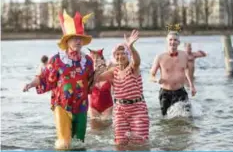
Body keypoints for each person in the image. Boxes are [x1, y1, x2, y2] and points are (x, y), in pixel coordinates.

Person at [23, 10, 94, 150]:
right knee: (64, 144)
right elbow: (43, 78)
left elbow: (93, 81)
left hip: (81, 106)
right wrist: (30, 84)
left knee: (79, 144)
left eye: (80, 38)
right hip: (61, 104)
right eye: (74, 38)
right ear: (67, 41)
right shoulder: (57, 59)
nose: (78, 41)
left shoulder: (88, 61)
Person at [95, 30, 149, 146]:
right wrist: (95, 65)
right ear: (114, 57)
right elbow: (96, 79)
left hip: (137, 110)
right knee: (120, 143)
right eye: (117, 54)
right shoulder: (113, 72)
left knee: (139, 143)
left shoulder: (133, 68)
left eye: (123, 53)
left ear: (128, 55)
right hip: (120, 111)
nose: (120, 56)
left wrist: (131, 47)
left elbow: (137, 61)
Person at [150, 24, 196, 116]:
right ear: (167, 42)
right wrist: (156, 79)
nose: (173, 42)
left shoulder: (184, 55)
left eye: (175, 40)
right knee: (166, 120)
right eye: (170, 40)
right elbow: (151, 75)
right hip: (165, 93)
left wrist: (191, 86)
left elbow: (187, 70)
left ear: (179, 42)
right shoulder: (160, 57)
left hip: (180, 91)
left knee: (188, 117)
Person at [88, 48, 113, 120]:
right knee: (94, 129)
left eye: (97, 59)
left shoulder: (109, 73)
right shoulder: (88, 75)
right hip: (93, 106)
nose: (95, 61)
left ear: (102, 60)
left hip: (107, 106)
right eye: (93, 59)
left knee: (106, 129)